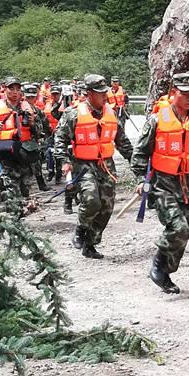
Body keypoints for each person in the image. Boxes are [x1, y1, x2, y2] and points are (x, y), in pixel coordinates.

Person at [131, 72, 189, 293]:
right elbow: (140, 153)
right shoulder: (157, 119)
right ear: (173, 93)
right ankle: (158, 265)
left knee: (185, 232)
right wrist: (142, 179)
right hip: (162, 182)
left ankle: (167, 273)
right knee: (177, 227)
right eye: (184, 93)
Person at [54, 75, 134, 259]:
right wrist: (64, 160)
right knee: (91, 200)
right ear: (89, 93)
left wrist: (136, 162)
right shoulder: (73, 114)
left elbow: (123, 142)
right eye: (99, 93)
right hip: (82, 164)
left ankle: (90, 244)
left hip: (106, 165)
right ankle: (80, 229)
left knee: (106, 206)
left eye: (105, 92)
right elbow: (60, 139)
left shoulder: (110, 113)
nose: (104, 96)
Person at [0, 77, 43, 209]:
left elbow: (41, 131)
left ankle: (20, 214)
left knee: (25, 191)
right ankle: (13, 212)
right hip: (7, 153)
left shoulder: (29, 108)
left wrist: (32, 123)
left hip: (26, 152)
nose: (15, 92)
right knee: (11, 190)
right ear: (5, 90)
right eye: (11, 88)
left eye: (18, 89)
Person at [23, 83, 51, 191]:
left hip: (33, 141)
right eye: (28, 97)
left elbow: (45, 124)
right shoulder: (19, 110)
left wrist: (47, 135)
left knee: (37, 163)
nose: (30, 99)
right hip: (21, 141)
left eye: (32, 97)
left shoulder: (37, 110)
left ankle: (41, 184)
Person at [44, 85, 64, 183]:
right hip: (49, 133)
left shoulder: (64, 105)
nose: (55, 96)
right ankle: (50, 172)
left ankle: (59, 175)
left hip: (60, 133)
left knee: (58, 154)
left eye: (57, 94)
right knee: (49, 154)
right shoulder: (47, 104)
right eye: (53, 94)